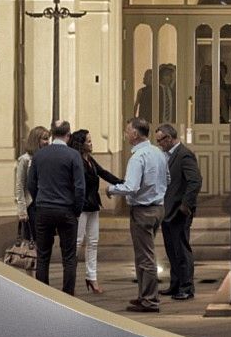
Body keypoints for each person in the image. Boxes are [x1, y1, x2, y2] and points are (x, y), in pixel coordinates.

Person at [104, 118, 169, 311]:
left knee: (145, 257)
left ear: (135, 134)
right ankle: (143, 295)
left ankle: (149, 300)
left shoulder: (138, 157)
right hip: (158, 208)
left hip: (143, 210)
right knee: (143, 255)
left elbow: (131, 187)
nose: (125, 134)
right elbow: (167, 178)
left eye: (127, 131)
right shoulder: (158, 153)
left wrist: (111, 189)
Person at [24, 124, 85, 290]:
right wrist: (77, 210)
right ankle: (67, 296)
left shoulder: (39, 155)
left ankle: (44, 294)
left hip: (44, 209)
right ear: (68, 135)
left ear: (52, 135)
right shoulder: (73, 155)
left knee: (43, 256)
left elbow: (31, 183)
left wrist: (39, 201)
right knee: (69, 257)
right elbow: (80, 187)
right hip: (66, 209)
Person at [154, 123, 203, 300]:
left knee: (182, 250)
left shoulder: (184, 154)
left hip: (180, 211)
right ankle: (175, 284)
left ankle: (187, 287)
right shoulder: (167, 155)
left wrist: (186, 205)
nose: (159, 144)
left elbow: (195, 181)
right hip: (167, 211)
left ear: (169, 138)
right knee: (172, 250)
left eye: (160, 140)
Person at [69, 128, 108, 293]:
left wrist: (123, 184)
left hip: (93, 204)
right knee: (77, 242)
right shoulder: (77, 159)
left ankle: (92, 277)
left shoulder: (90, 160)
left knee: (93, 242)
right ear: (81, 144)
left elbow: (104, 173)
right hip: (81, 205)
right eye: (89, 141)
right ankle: (69, 276)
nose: (92, 144)